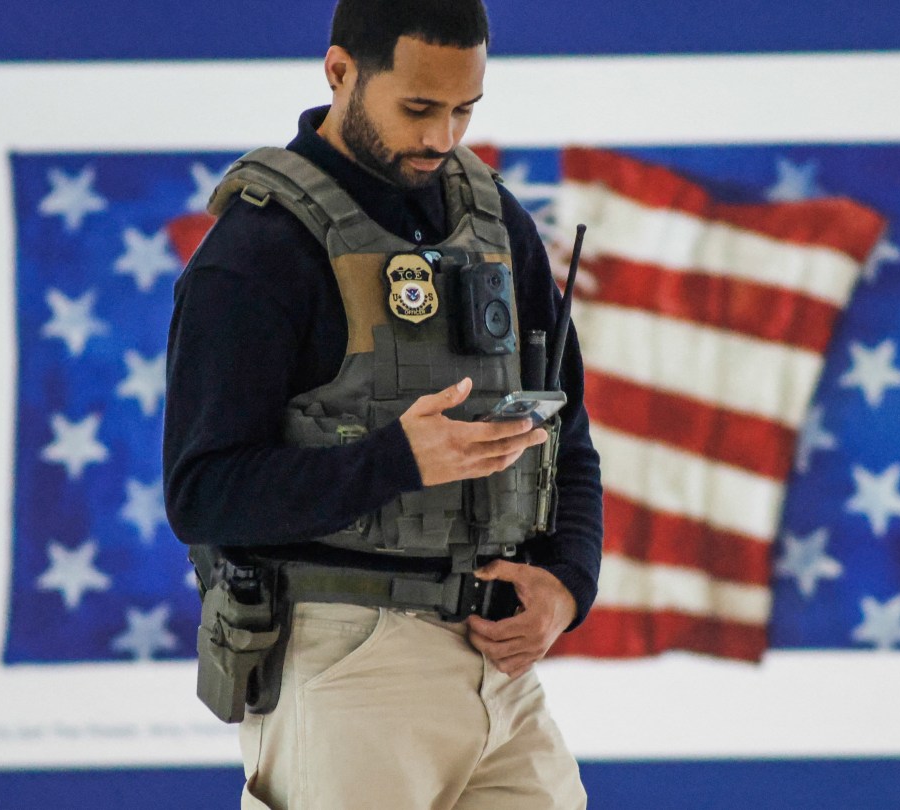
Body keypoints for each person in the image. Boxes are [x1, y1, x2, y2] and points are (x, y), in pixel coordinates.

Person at [162, 0, 602, 806]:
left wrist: (569, 581)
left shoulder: (497, 220)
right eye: (418, 109)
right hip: (342, 665)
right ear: (340, 73)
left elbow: (564, 432)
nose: (442, 137)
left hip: (495, 670)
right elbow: (203, 495)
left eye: (465, 109)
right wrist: (395, 460)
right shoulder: (259, 253)